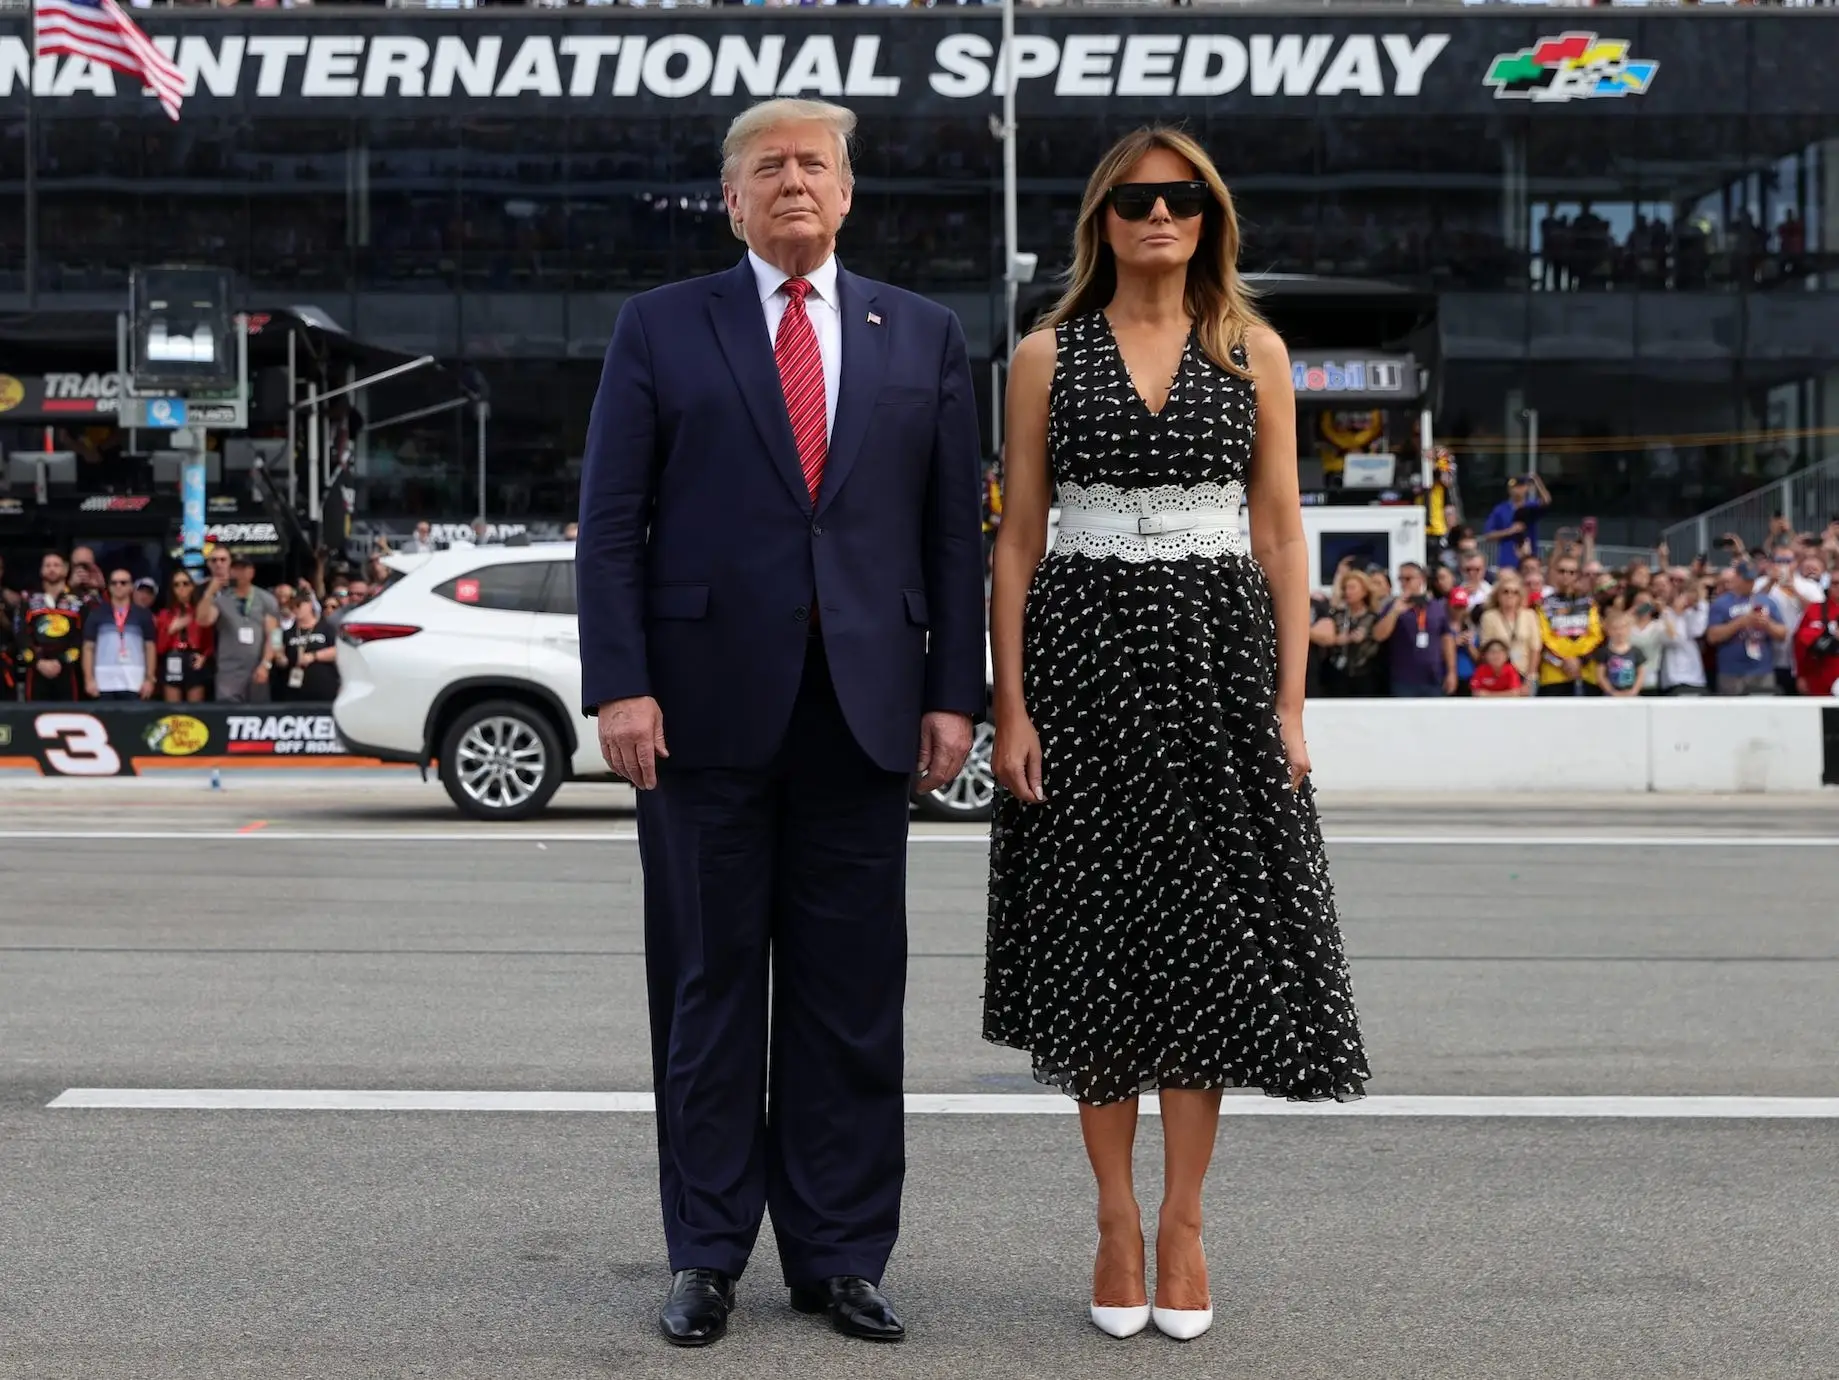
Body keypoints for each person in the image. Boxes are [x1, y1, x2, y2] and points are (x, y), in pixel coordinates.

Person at [575, 98, 984, 1349]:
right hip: (696, 717)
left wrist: (952, 691)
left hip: (864, 717)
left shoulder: (923, 334)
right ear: (732, 198)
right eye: (770, 166)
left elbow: (953, 538)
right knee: (707, 993)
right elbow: (610, 524)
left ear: (849, 194)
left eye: (815, 163)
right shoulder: (661, 327)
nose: (794, 181)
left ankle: (841, 1256)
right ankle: (705, 1253)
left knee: (850, 1000)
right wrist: (619, 684)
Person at [985, 126, 1369, 1344]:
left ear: (1211, 219)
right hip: (1083, 670)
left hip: (1216, 672)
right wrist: (1012, 704)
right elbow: (1018, 539)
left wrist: (1292, 707)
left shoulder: (1253, 348)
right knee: (1098, 948)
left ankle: (1187, 1223)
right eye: (1138, 199)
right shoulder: (1045, 355)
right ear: (1102, 218)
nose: (1161, 216)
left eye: (1184, 199)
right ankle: (1112, 1217)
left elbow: (1281, 534)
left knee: (1204, 954)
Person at [195, 549, 282, 703]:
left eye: (244, 568)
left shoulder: (266, 599)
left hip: (257, 669)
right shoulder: (221, 600)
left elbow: (275, 635)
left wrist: (266, 664)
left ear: (252, 572)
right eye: (235, 568)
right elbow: (203, 620)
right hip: (229, 672)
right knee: (227, 715)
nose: (239, 573)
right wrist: (209, 593)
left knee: (257, 717)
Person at [1375, 561, 1456, 697]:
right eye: (1401, 579)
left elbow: (1447, 639)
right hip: (1404, 679)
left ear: (1421, 579)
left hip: (1433, 677)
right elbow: (1378, 635)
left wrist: (1451, 671)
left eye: (1408, 578)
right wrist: (1394, 612)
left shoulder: (1436, 607)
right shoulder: (1392, 606)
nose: (1404, 583)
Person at [1705, 560, 1786, 696]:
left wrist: (1767, 624)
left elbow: (1783, 634)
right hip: (1731, 672)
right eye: (1746, 579)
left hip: (1762, 670)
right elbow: (1712, 636)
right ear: (1736, 578)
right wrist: (1740, 623)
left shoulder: (1767, 601)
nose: (1750, 583)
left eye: (1752, 579)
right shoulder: (1721, 603)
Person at [17, 551, 89, 702]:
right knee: (33, 716)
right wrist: (37, 662)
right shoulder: (28, 598)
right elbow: (21, 634)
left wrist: (62, 661)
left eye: (56, 565)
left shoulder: (80, 599)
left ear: (65, 569)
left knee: (69, 716)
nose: (51, 569)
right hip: (36, 667)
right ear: (41, 570)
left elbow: (83, 636)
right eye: (47, 565)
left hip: (68, 669)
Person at [81, 568, 158, 702]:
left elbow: (150, 647)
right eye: (114, 583)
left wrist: (149, 679)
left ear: (130, 587)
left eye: (123, 583)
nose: (118, 586)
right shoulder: (96, 614)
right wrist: (89, 679)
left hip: (135, 680)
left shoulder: (143, 615)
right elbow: (88, 648)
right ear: (109, 587)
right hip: (103, 681)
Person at [1310, 567, 1386, 698]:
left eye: (1352, 588)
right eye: (1345, 588)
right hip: (1338, 672)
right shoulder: (1337, 614)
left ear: (1364, 591)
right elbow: (1328, 635)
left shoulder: (1374, 616)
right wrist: (1337, 640)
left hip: (1366, 672)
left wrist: (1365, 636)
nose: (1348, 592)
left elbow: (1379, 638)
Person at [1536, 553, 1603, 695]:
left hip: (1585, 674)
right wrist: (1563, 662)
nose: (1566, 575)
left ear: (1577, 575)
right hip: (1553, 676)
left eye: (1571, 572)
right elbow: (1542, 639)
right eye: (1561, 571)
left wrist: (1580, 660)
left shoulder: (1589, 603)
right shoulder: (1544, 604)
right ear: (1553, 573)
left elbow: (1596, 636)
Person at [155, 567, 214, 703]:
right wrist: (170, 630)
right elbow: (160, 647)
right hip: (173, 658)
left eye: (185, 583)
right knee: (173, 709)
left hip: (193, 658)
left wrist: (204, 657)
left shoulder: (200, 612)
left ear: (192, 586)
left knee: (195, 710)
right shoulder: (165, 614)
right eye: (176, 584)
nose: (181, 588)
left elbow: (209, 640)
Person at [1477, 570, 1541, 694]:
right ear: (1498, 595)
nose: (1510, 595)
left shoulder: (1529, 615)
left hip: (1525, 673)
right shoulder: (1489, 617)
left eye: (1515, 592)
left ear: (1520, 596)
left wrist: (1529, 679)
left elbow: (1535, 648)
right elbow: (1486, 647)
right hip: (1498, 675)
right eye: (1505, 591)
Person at [1482, 474, 1549, 568]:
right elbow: (1488, 535)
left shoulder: (1531, 507)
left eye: (1521, 486)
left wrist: (1537, 482)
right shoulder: (1501, 509)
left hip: (1529, 559)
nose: (1518, 490)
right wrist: (1509, 531)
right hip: (1508, 561)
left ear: (1526, 488)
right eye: (1514, 487)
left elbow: (1546, 501)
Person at [279, 597, 339, 701]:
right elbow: (280, 653)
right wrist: (281, 659)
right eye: (292, 607)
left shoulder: (326, 628)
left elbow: (337, 651)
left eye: (298, 605)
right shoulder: (288, 633)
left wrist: (313, 656)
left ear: (309, 605)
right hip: (295, 687)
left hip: (324, 686)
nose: (296, 609)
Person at [1592, 610, 1648, 698]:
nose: (1619, 632)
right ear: (1608, 630)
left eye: (1623, 627)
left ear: (1629, 629)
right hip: (1610, 696)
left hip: (1632, 695)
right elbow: (1600, 676)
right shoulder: (1604, 652)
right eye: (1615, 628)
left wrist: (1634, 690)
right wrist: (1612, 692)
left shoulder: (1636, 651)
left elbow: (1641, 674)